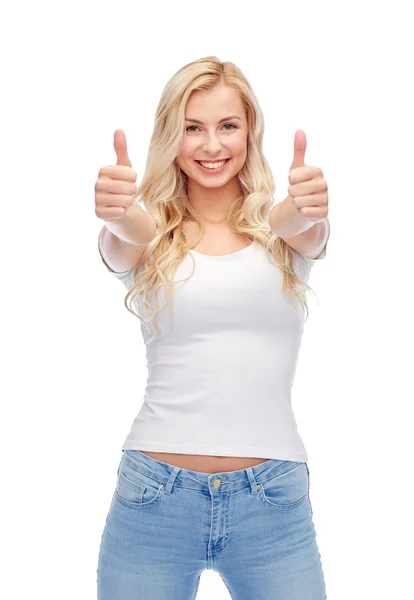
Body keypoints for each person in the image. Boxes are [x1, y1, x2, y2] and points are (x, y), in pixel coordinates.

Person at [95, 56, 329, 599]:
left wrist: (305, 208)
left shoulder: (282, 230)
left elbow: (302, 227)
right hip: (154, 498)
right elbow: (124, 239)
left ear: (250, 132)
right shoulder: (150, 232)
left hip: (272, 501)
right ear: (170, 137)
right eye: (192, 128)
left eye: (227, 126)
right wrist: (119, 213)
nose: (211, 145)